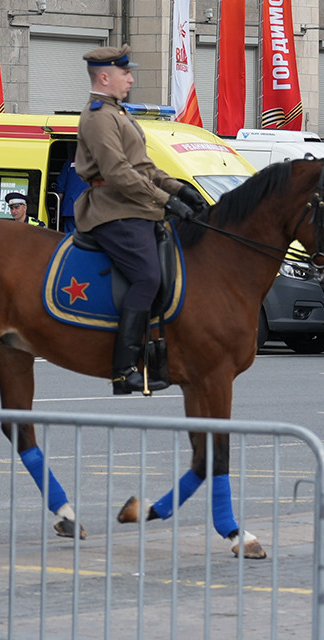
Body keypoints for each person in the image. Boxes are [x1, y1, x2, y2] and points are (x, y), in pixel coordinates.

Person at [73, 46, 207, 394]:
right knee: (146, 277)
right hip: (112, 209)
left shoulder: (117, 114)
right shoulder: (99, 116)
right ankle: (124, 368)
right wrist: (165, 201)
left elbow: (143, 166)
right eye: (125, 74)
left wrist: (180, 189)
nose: (131, 79)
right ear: (105, 77)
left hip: (133, 204)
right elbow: (117, 173)